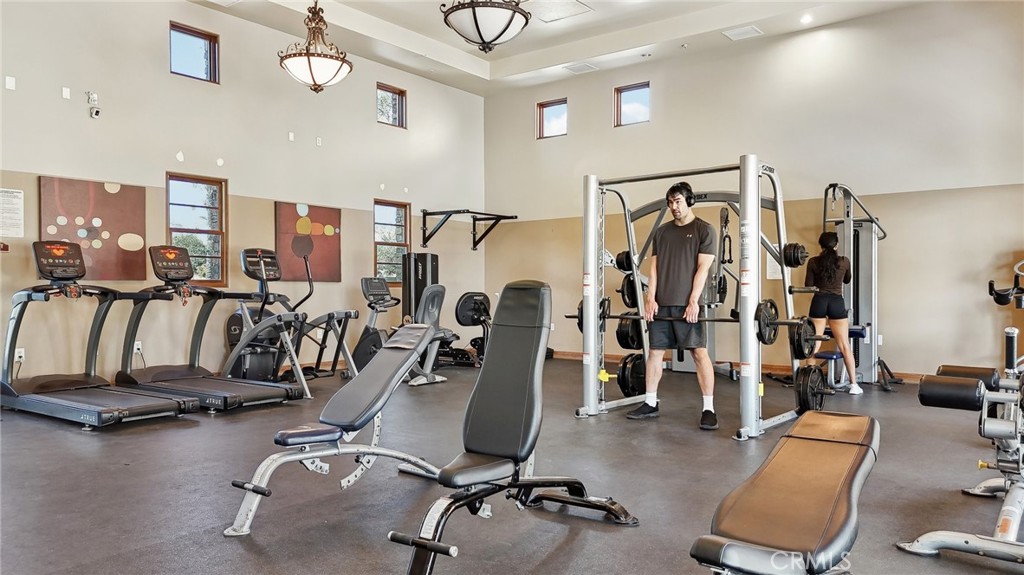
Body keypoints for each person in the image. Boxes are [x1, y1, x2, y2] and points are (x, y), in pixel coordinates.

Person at [626, 182, 718, 429]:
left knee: (699, 353)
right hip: (662, 304)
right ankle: (650, 402)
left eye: (678, 201)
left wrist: (693, 301)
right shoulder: (662, 233)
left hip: (688, 304)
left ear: (689, 201)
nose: (673, 207)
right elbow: (654, 269)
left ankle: (708, 408)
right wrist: (650, 298)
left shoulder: (705, 230)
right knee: (655, 352)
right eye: (670, 202)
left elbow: (703, 269)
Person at [804, 231, 862, 395]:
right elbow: (847, 279)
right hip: (836, 302)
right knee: (844, 345)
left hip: (819, 302)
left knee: (814, 344)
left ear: (820, 245)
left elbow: (808, 285)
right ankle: (854, 385)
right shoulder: (844, 261)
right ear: (836, 245)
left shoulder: (813, 262)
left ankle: (810, 383)